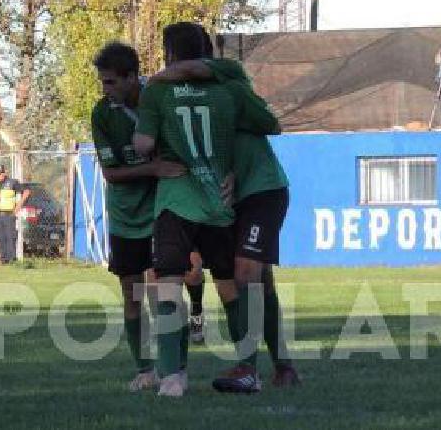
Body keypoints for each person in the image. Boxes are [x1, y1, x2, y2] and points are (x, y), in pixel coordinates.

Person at [149, 23, 301, 393]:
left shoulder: (228, 79)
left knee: (246, 272)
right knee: (258, 279)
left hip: (261, 188)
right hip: (226, 196)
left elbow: (271, 124)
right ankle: (283, 365)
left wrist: (152, 78)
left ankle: (248, 368)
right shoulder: (184, 97)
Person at [91, 41, 187, 392]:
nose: (106, 89)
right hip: (124, 216)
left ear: (133, 77)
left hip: (160, 212)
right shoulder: (102, 114)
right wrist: (154, 167)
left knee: (163, 291)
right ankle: (145, 369)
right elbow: (111, 174)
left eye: (112, 82)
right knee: (131, 294)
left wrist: (162, 169)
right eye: (103, 82)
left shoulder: (157, 99)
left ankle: (174, 368)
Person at [0, 164, 31, 264]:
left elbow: (26, 192)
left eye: (2, 173)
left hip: (9, 214)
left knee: (10, 237)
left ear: (5, 173)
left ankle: (12, 259)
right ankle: (4, 259)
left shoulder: (12, 182)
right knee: (0, 237)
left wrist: (19, 206)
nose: (0, 175)